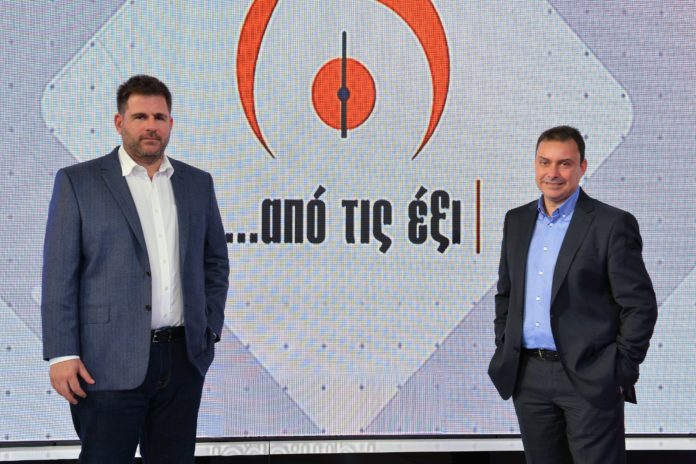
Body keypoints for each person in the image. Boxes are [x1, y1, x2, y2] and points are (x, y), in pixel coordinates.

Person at [41, 75, 230, 463]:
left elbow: (214, 263)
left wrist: (208, 328)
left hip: (182, 361)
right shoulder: (79, 182)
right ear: (119, 122)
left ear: (170, 123)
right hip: (105, 361)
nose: (151, 126)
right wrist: (61, 353)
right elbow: (60, 274)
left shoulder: (197, 183)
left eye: (159, 117)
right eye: (140, 116)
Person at [488, 126, 657, 463]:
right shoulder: (517, 221)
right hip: (529, 377)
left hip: (590, 377)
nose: (553, 173)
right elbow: (506, 294)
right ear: (535, 165)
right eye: (544, 162)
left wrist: (620, 370)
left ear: (582, 167)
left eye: (564, 164)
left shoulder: (611, 224)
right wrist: (505, 342)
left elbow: (639, 306)